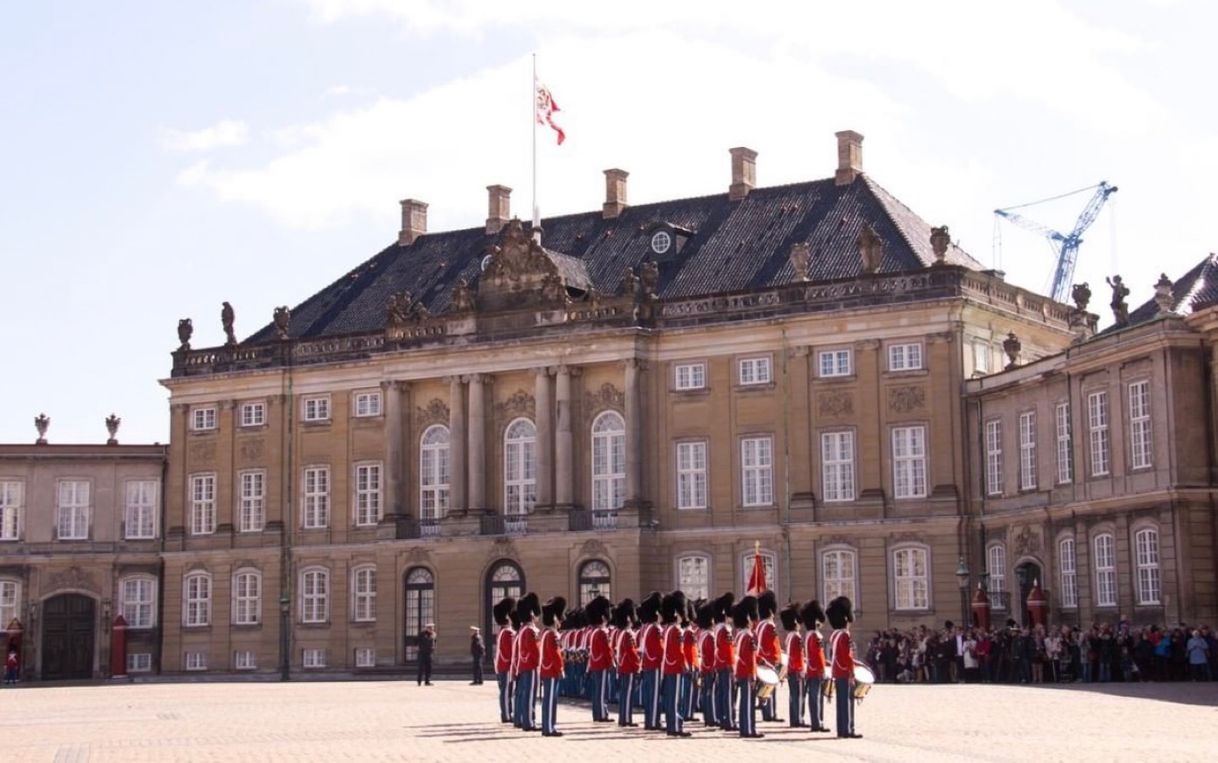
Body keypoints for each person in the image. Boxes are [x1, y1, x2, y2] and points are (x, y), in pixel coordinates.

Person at [827, 596, 861, 739]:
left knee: (841, 702)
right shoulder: (844, 635)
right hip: (844, 672)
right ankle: (847, 729)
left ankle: (842, 728)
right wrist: (852, 672)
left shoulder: (835, 635)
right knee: (847, 701)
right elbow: (847, 657)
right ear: (846, 618)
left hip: (838, 671)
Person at [660, 590, 690, 737]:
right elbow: (679, 651)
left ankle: (671, 725)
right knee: (677, 698)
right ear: (676, 613)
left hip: (669, 666)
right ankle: (676, 726)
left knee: (671, 697)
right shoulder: (677, 630)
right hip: (676, 667)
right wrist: (685, 664)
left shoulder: (667, 630)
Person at [732, 596, 762, 738]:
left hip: (743, 672)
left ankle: (746, 727)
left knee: (745, 701)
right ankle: (748, 729)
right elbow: (748, 658)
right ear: (748, 618)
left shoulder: (740, 635)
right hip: (747, 673)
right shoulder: (748, 636)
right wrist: (752, 674)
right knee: (748, 702)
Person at [513, 593, 542, 731]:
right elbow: (535, 651)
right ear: (531, 613)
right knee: (530, 694)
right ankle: (529, 721)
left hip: (525, 665)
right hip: (531, 666)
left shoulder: (523, 630)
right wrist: (540, 664)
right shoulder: (530, 630)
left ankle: (526, 719)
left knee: (526, 693)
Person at [801, 600, 830, 732]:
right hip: (816, 670)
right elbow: (818, 655)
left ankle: (817, 721)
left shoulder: (809, 635)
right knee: (816, 697)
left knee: (814, 696)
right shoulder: (815, 636)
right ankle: (817, 722)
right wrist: (822, 669)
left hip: (812, 669)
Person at [539, 596, 567, 737]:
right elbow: (555, 654)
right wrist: (560, 669)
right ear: (555, 617)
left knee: (548, 700)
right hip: (551, 670)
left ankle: (548, 726)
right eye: (559, 617)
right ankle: (549, 727)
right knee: (550, 700)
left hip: (547, 669)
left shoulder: (546, 633)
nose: (561, 620)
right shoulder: (552, 635)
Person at [755, 590, 784, 722]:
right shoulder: (767, 625)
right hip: (769, 661)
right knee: (768, 688)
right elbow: (766, 645)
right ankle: (769, 714)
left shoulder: (762, 625)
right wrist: (771, 660)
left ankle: (771, 713)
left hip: (769, 660)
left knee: (770, 688)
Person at [637, 591, 664, 731]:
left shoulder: (646, 628)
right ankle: (653, 721)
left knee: (650, 693)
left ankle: (650, 719)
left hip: (648, 664)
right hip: (655, 665)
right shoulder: (655, 629)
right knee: (654, 694)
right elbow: (659, 649)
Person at [585, 596, 613, 723]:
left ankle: (597, 713)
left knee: (597, 690)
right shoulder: (602, 632)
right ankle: (602, 714)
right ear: (603, 617)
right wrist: (611, 662)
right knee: (602, 690)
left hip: (595, 664)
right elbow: (607, 650)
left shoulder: (593, 632)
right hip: (602, 664)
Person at [612, 599, 640, 727]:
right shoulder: (628, 634)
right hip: (628, 667)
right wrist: (637, 665)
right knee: (628, 693)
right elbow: (631, 652)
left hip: (623, 666)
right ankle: (626, 719)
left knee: (624, 693)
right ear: (629, 618)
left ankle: (623, 718)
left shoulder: (621, 633)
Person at [712, 592, 737, 731]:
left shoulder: (719, 628)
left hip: (721, 664)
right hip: (726, 665)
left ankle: (723, 718)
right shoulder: (725, 630)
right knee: (727, 694)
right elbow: (727, 651)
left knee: (722, 692)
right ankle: (729, 720)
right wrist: (732, 666)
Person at [780, 602, 805, 728]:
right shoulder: (795, 637)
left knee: (794, 695)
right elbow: (795, 656)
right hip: (796, 670)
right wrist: (800, 669)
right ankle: (798, 719)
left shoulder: (790, 636)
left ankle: (795, 719)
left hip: (792, 669)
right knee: (798, 695)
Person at [492, 597, 517, 722]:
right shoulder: (507, 632)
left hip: (502, 664)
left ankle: (507, 713)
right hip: (506, 665)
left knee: (507, 691)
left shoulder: (503, 631)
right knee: (506, 691)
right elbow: (509, 652)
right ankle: (506, 714)